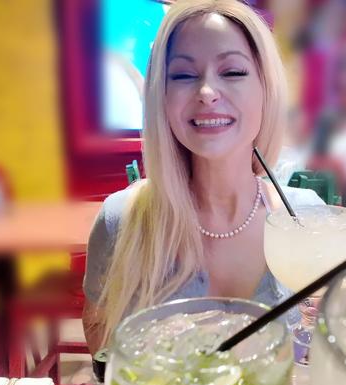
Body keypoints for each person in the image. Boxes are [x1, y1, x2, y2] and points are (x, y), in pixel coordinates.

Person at [82, 0, 325, 352]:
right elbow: (103, 349)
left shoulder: (309, 218)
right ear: (162, 96)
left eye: (233, 72)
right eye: (183, 75)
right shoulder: (121, 222)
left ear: (265, 88)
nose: (207, 92)